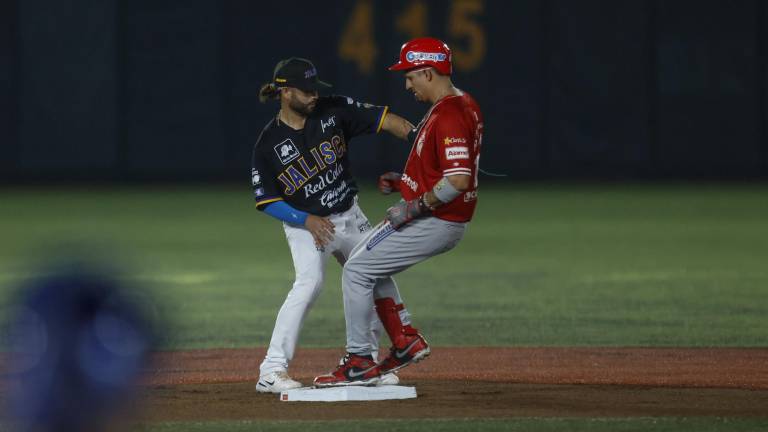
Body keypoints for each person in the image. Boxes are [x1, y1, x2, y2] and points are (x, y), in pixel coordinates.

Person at [313, 38, 484, 387]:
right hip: (438, 215)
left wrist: (414, 206)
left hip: (438, 219)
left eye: (410, 76)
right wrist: (408, 180)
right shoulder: (457, 103)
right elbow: (444, 170)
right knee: (364, 261)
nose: (407, 84)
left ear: (427, 71)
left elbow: (458, 179)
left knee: (357, 270)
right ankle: (404, 339)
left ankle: (360, 359)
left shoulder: (450, 112)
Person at [251, 57, 416, 392]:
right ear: (285, 92)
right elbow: (266, 201)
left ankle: (365, 364)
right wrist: (305, 219)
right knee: (309, 283)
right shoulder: (268, 145)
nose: (314, 95)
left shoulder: (334, 109)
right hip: (305, 225)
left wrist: (422, 140)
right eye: (306, 89)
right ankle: (271, 370)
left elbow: (390, 122)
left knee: (374, 274)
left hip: (349, 215)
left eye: (315, 88)